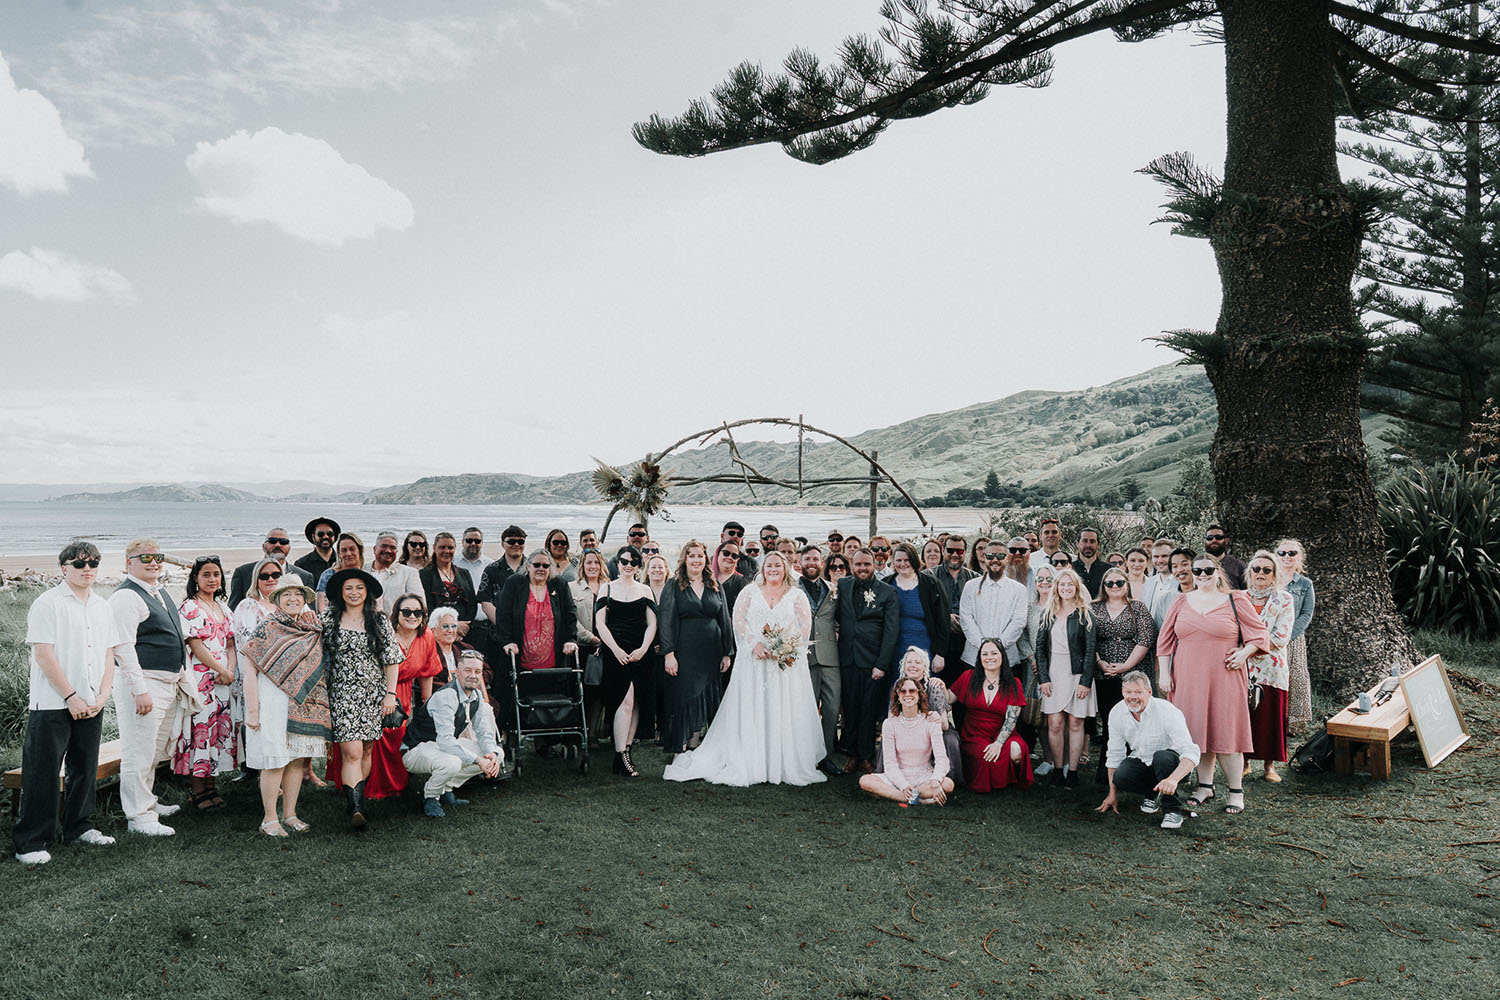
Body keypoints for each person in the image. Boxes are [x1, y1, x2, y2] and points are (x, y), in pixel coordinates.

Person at [664, 551, 827, 786]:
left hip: (783, 666)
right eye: (768, 565)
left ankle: (781, 762)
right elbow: (737, 621)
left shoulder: (796, 595)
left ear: (786, 568)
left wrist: (786, 649)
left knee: (781, 707)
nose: (772, 569)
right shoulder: (749, 592)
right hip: (754, 662)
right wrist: (754, 644)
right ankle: (752, 759)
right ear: (762, 569)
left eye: (777, 566)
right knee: (753, 706)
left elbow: (804, 628)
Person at [14, 542, 121, 866]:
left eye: (93, 563)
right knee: (43, 772)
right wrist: (70, 696)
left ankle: (79, 826)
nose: (87, 569)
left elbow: (108, 652)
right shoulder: (48, 604)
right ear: (64, 568)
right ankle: (31, 840)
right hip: (53, 703)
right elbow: (44, 655)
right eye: (79, 564)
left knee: (84, 767)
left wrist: (103, 694)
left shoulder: (102, 606)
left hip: (92, 700)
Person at [1157, 555, 1270, 816]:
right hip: (1187, 678)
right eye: (1197, 570)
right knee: (1196, 735)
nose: (1203, 574)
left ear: (1217, 572)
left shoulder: (1236, 599)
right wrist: (1165, 674)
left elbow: (1260, 634)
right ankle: (1205, 786)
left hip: (1225, 677)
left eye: (1208, 569)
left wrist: (1244, 653)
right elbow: (1165, 642)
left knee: (1227, 735)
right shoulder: (1181, 601)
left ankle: (1235, 791)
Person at [109, 538, 191, 837]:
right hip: (143, 684)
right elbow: (123, 647)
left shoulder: (158, 590)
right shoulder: (126, 597)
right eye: (145, 558)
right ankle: (138, 817)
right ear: (128, 563)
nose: (153, 562)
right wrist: (139, 689)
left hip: (166, 682)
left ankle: (148, 802)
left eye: (157, 557)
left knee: (154, 749)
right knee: (137, 751)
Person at [239, 582, 332, 837]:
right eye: (287, 594)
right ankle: (269, 819)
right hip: (271, 702)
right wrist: (253, 711)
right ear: (277, 598)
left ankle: (290, 815)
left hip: (301, 705)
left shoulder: (312, 628)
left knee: (295, 760)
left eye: (298, 594)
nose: (293, 598)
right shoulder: (267, 627)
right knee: (274, 760)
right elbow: (248, 670)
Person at [321, 568, 404, 828]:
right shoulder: (328, 620)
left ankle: (356, 802)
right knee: (352, 751)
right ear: (340, 593)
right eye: (348, 588)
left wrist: (390, 694)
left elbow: (392, 660)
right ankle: (356, 807)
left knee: (367, 749)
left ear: (367, 591)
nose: (354, 593)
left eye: (359, 588)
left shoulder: (379, 621)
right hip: (341, 693)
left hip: (373, 693)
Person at [359, 593, 444, 803]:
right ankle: (365, 786)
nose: (412, 616)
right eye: (406, 611)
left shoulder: (427, 637)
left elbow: (427, 671)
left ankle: (394, 786)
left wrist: (427, 702)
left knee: (397, 737)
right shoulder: (382, 633)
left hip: (404, 694)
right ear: (397, 613)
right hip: (376, 690)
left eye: (418, 612)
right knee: (374, 740)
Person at [402, 650, 503, 818]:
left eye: (477, 671)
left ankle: (445, 789)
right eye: (468, 670)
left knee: (497, 754)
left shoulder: (476, 695)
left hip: (440, 747)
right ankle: (431, 797)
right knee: (453, 762)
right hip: (416, 748)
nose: (473, 675)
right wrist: (478, 761)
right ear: (457, 672)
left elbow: (484, 732)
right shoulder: (447, 695)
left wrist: (490, 755)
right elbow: (445, 741)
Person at [172, 556, 239, 810]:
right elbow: (195, 644)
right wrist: (221, 668)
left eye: (216, 574)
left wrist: (230, 670)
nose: (212, 579)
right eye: (206, 575)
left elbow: (231, 643)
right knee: (200, 730)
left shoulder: (224, 607)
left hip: (224, 680)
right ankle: (198, 790)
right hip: (201, 678)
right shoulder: (189, 607)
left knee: (217, 731)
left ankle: (212, 786)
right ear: (196, 579)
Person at [1095, 670, 1199, 830]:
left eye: (1138, 692)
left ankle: (1173, 810)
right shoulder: (1117, 712)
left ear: (1149, 692)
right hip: (1142, 761)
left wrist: (1173, 779)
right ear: (1122, 692)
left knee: (1162, 758)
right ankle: (1151, 794)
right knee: (1121, 775)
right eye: (1128, 692)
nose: (1133, 696)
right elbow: (1114, 754)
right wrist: (1112, 793)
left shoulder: (1167, 710)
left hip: (1171, 764)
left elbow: (1191, 750)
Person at [659, 540, 734, 755]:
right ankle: (680, 750)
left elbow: (725, 619)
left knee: (704, 699)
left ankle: (695, 748)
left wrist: (726, 653)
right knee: (686, 698)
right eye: (691, 556)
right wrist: (669, 654)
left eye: (700, 556)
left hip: (710, 653)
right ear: (685, 559)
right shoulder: (674, 584)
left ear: (706, 559)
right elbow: (665, 620)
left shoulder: (714, 584)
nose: (696, 560)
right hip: (685, 651)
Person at [836, 549, 899, 774]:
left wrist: (881, 664)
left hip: (873, 661)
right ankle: (851, 755)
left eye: (867, 564)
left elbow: (891, 631)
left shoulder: (888, 592)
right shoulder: (842, 586)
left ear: (874, 565)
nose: (862, 568)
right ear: (852, 565)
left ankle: (866, 757)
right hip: (847, 659)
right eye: (858, 564)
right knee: (850, 709)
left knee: (869, 710)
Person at [595, 546, 657, 777]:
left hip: (641, 653)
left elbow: (652, 624)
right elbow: (600, 624)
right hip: (616, 652)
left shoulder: (645, 590)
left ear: (639, 565)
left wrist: (643, 648)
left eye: (633, 562)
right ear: (617, 563)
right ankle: (619, 754)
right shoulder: (607, 588)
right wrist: (616, 649)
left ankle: (626, 751)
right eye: (624, 561)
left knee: (637, 702)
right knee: (624, 701)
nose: (628, 565)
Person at [1091, 566, 1157, 783]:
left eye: (1120, 582)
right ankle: (1107, 772)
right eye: (1110, 583)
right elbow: (1088, 639)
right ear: (1104, 586)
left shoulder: (1137, 608)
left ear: (1127, 585)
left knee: (1136, 720)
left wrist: (1126, 666)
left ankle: (1138, 771)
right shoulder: (1094, 608)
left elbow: (1146, 638)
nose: (1115, 587)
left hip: (1134, 673)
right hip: (1104, 673)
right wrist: (1100, 662)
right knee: (1111, 721)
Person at [945, 638, 1033, 792]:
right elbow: (949, 698)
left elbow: (1012, 720)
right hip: (974, 733)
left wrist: (999, 743)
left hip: (1002, 732)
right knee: (984, 756)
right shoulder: (968, 677)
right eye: (985, 654)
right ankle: (995, 781)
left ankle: (1011, 778)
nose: (989, 657)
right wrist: (937, 685)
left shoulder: (1013, 683)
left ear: (1002, 656)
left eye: (994, 653)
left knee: (1016, 751)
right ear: (979, 658)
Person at [1036, 567, 1097, 788]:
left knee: (1075, 722)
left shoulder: (1085, 614)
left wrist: (1085, 681)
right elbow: (1040, 649)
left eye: (1070, 584)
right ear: (1056, 588)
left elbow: (1090, 651)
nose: (1066, 588)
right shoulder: (1048, 613)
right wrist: (1044, 678)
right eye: (1062, 584)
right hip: (1054, 672)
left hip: (1078, 673)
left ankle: (1072, 772)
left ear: (1076, 587)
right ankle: (1058, 769)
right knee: (1054, 723)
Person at [859, 676, 953, 805]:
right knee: (865, 781)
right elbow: (890, 763)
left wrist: (936, 781)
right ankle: (911, 798)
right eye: (903, 691)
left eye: (912, 691)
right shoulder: (890, 723)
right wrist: (903, 785)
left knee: (948, 784)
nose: (907, 694)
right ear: (897, 696)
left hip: (924, 775)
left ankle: (907, 794)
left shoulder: (931, 722)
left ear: (919, 695)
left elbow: (942, 759)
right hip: (897, 776)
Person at [1242, 551, 1294, 783]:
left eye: (1266, 570)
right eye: (1256, 569)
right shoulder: (1238, 598)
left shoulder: (1284, 599)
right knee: (1245, 716)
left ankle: (1269, 766)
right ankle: (1243, 762)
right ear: (1249, 573)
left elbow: (1281, 636)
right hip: (1242, 667)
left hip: (1272, 668)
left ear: (1274, 574)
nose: (1260, 573)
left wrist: (1248, 648)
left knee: (1270, 715)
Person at [496, 549, 579, 681]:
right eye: (537, 565)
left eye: (545, 565)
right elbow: (502, 615)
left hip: (554, 662)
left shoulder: (559, 584)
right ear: (528, 566)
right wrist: (508, 642)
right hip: (522, 662)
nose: (541, 568)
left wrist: (570, 639)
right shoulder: (514, 583)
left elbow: (570, 613)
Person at [890, 646, 962, 785]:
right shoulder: (898, 686)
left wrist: (926, 722)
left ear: (924, 667)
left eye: (917, 662)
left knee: (950, 740)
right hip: (906, 728)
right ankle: (895, 776)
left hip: (935, 730)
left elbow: (945, 725)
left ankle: (948, 780)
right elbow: (892, 716)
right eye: (909, 662)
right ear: (903, 666)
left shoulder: (934, 686)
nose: (913, 666)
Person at [799, 545, 842, 775]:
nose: (812, 563)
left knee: (832, 709)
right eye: (807, 559)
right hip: (803, 658)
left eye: (816, 559)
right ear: (801, 562)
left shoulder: (834, 589)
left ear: (822, 562)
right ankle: (805, 755)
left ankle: (826, 755)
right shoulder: (792, 589)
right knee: (806, 709)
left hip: (830, 655)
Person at [957, 545, 1029, 671]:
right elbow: (966, 618)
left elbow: (1019, 622)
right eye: (990, 556)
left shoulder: (1019, 590)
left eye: (1000, 556)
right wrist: (983, 646)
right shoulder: (970, 586)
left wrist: (998, 647)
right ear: (984, 558)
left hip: (1007, 660)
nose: (995, 560)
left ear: (1006, 558)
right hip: (973, 658)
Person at [887, 542, 949, 682]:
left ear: (914, 560)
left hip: (925, 649)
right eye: (899, 560)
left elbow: (943, 621)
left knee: (923, 690)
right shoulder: (887, 584)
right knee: (897, 690)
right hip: (894, 650)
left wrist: (940, 653)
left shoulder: (931, 584)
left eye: (907, 560)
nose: (903, 564)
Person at [1018, 564, 1056, 774]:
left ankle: (1064, 760)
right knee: (1039, 714)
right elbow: (1021, 635)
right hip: (1031, 668)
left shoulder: (1062, 607)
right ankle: (1048, 759)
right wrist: (1032, 657)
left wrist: (1047, 662)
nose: (1044, 583)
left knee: (1058, 716)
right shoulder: (1030, 607)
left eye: (1049, 579)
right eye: (1040, 579)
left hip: (1057, 667)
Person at [1276, 538, 1316, 734]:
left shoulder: (1305, 584)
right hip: (1272, 638)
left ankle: (1295, 722)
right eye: (1282, 553)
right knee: (1274, 679)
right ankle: (1274, 720)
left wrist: (1289, 635)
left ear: (1299, 557)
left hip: (1294, 637)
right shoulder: (1269, 579)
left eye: (1291, 553)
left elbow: (1307, 613)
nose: (1286, 557)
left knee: (1297, 679)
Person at [572, 548, 609, 740]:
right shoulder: (572, 588)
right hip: (582, 649)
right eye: (589, 563)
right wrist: (591, 638)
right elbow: (571, 620)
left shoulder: (610, 587)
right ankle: (579, 733)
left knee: (601, 694)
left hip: (606, 649)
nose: (593, 566)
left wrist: (607, 641)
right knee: (583, 692)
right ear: (582, 566)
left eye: (596, 562)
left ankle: (594, 734)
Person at [229, 527, 314, 610]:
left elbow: (310, 611)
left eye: (283, 542)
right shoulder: (243, 572)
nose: (278, 545)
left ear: (289, 548)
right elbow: (233, 610)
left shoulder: (304, 576)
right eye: (272, 541)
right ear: (263, 546)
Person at [928, 534, 976, 671]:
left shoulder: (975, 579)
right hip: (937, 643)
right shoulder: (928, 576)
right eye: (950, 550)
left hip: (967, 643)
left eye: (960, 551)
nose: (955, 554)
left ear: (965, 553)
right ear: (943, 551)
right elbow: (922, 609)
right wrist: (945, 618)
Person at [421, 532, 478, 637]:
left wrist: (464, 627)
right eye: (442, 547)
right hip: (438, 632)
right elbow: (428, 607)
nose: (446, 551)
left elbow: (472, 604)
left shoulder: (464, 573)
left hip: (464, 631)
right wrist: (453, 627)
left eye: (450, 548)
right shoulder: (424, 575)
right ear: (434, 548)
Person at [478, 526, 529, 625]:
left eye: (521, 542)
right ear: (502, 544)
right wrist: (502, 625)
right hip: (499, 629)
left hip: (529, 627)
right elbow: (485, 603)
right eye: (511, 542)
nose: (516, 545)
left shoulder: (533, 568)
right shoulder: (491, 570)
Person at [369, 531, 424, 615]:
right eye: (384, 546)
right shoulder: (362, 570)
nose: (388, 550)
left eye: (392, 548)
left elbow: (419, 605)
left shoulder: (409, 573)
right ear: (374, 549)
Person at [1149, 547, 1196, 631]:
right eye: (1175, 566)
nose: (1180, 570)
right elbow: (1159, 631)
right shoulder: (1166, 599)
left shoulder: (1206, 595)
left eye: (1185, 564)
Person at [315, 533, 366, 610]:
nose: (348, 554)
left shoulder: (366, 576)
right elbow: (322, 607)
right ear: (339, 554)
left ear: (359, 551)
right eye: (344, 550)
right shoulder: (328, 575)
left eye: (352, 549)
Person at [294, 517, 341, 583]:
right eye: (320, 534)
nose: (325, 537)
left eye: (330, 534)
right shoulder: (301, 564)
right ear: (313, 537)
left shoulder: (342, 561)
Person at [1204, 525, 1245, 589]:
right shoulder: (1198, 566)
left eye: (1218, 537)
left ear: (1226, 541)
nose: (1214, 540)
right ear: (1205, 541)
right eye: (1209, 538)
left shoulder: (1238, 566)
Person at [1072, 527, 1106, 598]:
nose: (1088, 545)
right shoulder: (1070, 569)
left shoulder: (1108, 570)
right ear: (1077, 544)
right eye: (1085, 541)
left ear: (1098, 545)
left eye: (1092, 541)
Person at [1142, 539, 1176, 609]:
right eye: (1156, 557)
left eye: (1164, 556)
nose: (1160, 561)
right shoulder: (1149, 583)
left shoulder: (1183, 582)